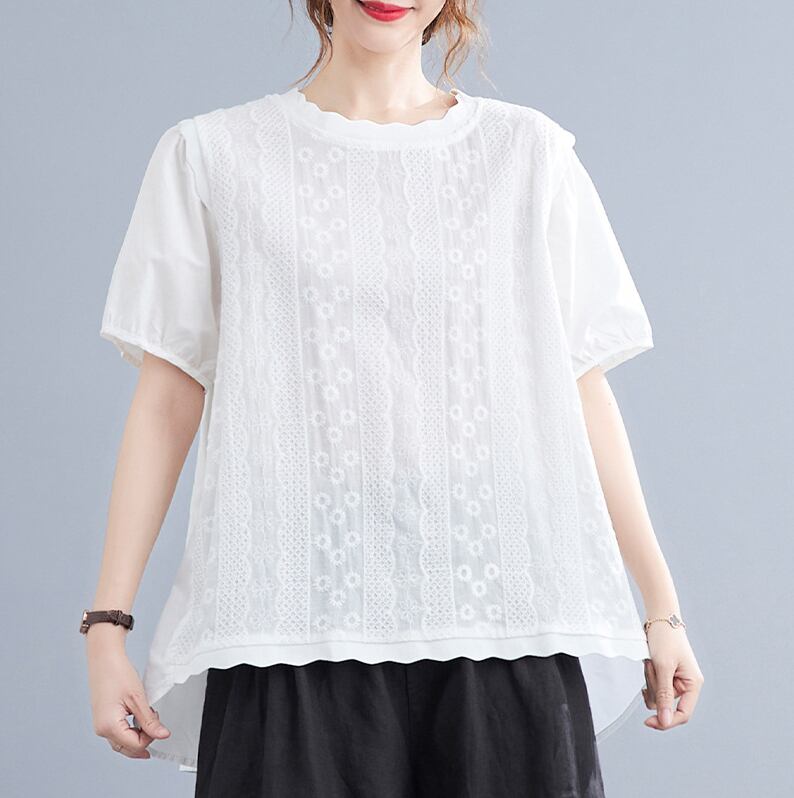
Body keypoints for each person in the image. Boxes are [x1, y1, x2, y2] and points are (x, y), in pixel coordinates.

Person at [83, 1, 705, 795]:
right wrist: (106, 629)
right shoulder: (215, 157)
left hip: (503, 621)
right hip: (290, 621)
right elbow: (168, 399)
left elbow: (580, 389)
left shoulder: (527, 155)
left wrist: (661, 609)